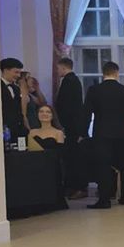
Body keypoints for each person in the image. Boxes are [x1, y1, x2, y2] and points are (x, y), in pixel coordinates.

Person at [85, 62, 124, 209]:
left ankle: (104, 199)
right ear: (117, 73)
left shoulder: (94, 90)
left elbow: (87, 112)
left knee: (103, 167)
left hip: (102, 133)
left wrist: (83, 132)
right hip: (123, 133)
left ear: (103, 73)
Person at [55, 57, 87, 198]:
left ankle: (78, 187)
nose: (57, 71)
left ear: (63, 67)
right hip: (73, 125)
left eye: (58, 68)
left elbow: (68, 107)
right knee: (72, 157)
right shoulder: (73, 80)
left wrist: (62, 125)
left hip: (71, 126)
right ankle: (72, 186)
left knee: (74, 158)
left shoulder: (69, 81)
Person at [0, 58, 28, 139]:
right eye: (16, 72)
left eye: (19, 73)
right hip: (3, 129)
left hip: (17, 130)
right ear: (5, 70)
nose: (18, 75)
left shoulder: (16, 88)